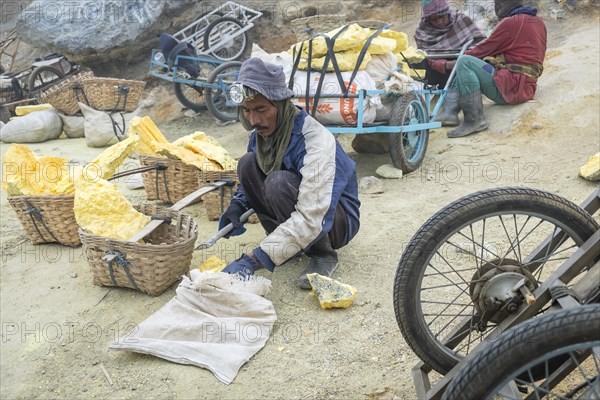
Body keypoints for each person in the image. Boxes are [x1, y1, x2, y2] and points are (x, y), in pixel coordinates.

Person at [218, 58, 361, 289]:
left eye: (261, 109)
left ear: (281, 104)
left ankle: (322, 254)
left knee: (278, 182)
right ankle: (287, 246)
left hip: (334, 220)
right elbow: (250, 183)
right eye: (246, 111)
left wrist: (253, 261)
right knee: (246, 163)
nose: (253, 120)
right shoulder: (259, 136)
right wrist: (238, 205)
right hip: (297, 208)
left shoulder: (315, 140)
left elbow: (311, 214)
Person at [444, 0, 547, 138]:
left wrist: (455, 61)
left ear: (501, 7)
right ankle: (451, 110)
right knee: (474, 63)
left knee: (465, 62)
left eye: (497, 7)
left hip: (513, 87)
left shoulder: (510, 22)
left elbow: (484, 49)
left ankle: (473, 119)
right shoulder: (538, 22)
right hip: (528, 87)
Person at [413, 0, 487, 126]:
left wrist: (463, 60)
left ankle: (450, 111)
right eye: (434, 19)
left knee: (463, 68)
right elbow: (426, 56)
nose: (439, 22)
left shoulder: (462, 20)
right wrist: (446, 64)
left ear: (448, 13)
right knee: (415, 63)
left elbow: (482, 45)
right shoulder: (423, 31)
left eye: (442, 17)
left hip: (463, 64)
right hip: (439, 69)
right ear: (428, 19)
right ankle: (415, 107)